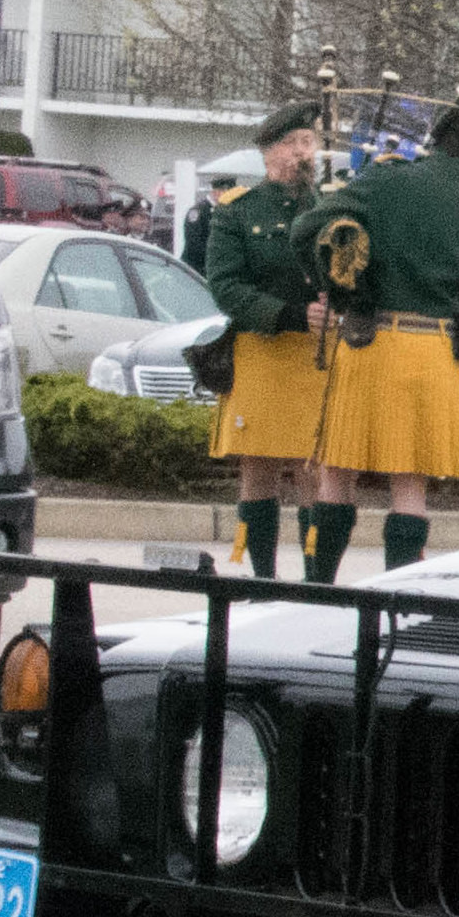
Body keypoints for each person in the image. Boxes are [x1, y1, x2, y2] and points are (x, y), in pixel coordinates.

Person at [289, 103, 459, 579]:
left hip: (372, 342)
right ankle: (396, 600)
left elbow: (307, 230)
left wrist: (334, 283)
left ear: (431, 138)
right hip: (436, 352)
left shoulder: (386, 182)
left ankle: (320, 589)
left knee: (337, 474)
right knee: (410, 488)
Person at [199, 107, 329, 579]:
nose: (302, 152)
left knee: (316, 471)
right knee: (258, 469)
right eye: (293, 142)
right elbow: (227, 286)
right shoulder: (239, 210)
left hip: (318, 357)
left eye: (309, 142)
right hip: (262, 350)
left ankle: (318, 579)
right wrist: (293, 315)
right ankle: (261, 577)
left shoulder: (330, 207)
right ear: (268, 150)